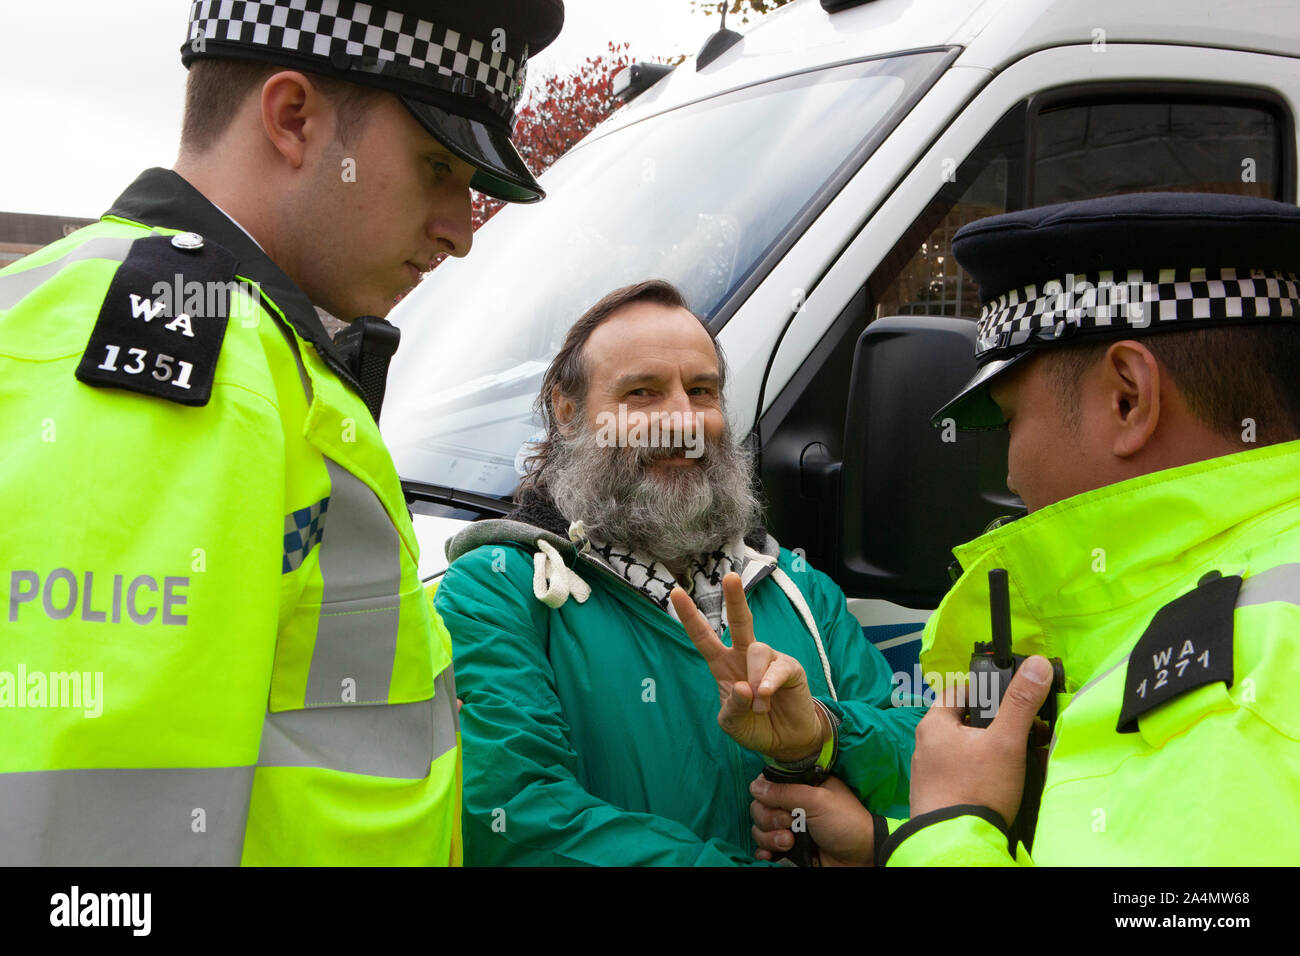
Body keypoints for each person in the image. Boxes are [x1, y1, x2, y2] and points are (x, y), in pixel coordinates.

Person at [0, 0, 563, 865]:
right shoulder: (190, 361)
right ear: (292, 119)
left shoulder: (204, 335)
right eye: (436, 166)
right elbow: (97, 845)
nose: (460, 232)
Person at [748, 191, 1300, 865]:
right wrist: (888, 847)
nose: (1010, 475)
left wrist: (953, 821)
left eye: (1009, 421)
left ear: (1128, 398)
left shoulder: (1242, 692)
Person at [433, 279, 922, 865]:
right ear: (567, 415)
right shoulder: (498, 590)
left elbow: (926, 760)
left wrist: (819, 738)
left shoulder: (797, 587)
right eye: (641, 393)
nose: (683, 421)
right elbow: (516, 822)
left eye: (701, 391)